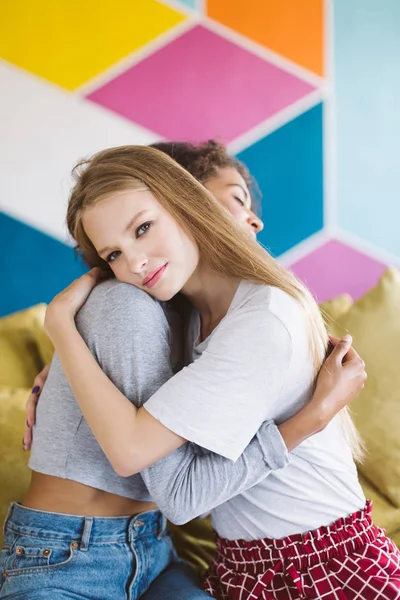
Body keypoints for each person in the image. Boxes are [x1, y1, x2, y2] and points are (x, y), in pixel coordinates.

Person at [24, 144, 399, 599]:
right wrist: (66, 358)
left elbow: (174, 490)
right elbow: (120, 315)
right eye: (113, 255)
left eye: (144, 228)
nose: (135, 263)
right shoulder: (183, 313)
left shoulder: (261, 318)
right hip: (239, 566)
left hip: (324, 562)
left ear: (186, 204)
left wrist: (61, 325)